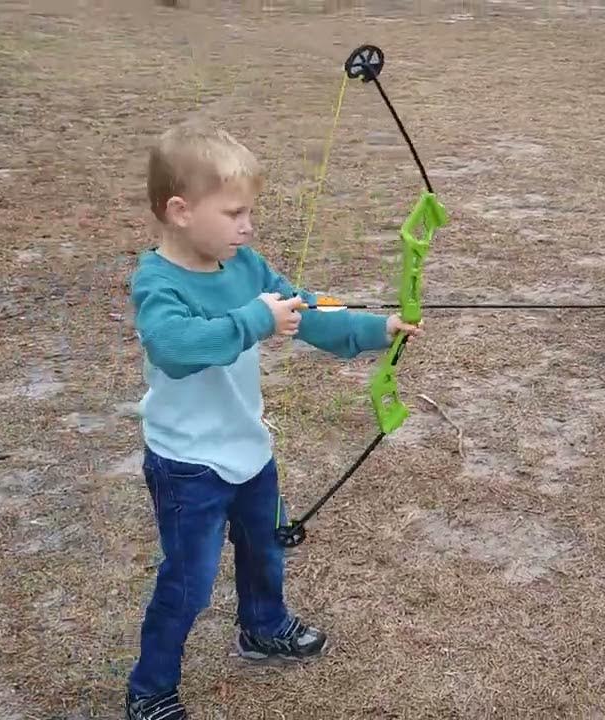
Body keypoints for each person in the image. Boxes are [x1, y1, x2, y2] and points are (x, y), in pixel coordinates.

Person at [124, 121, 422, 720]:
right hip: (187, 462)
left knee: (264, 548)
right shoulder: (158, 282)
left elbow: (305, 310)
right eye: (234, 213)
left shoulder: (247, 265)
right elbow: (174, 347)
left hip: (248, 449)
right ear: (180, 211)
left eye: (250, 212)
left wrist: (375, 329)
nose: (248, 226)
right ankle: (150, 689)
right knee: (188, 582)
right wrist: (255, 322)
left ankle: (262, 628)